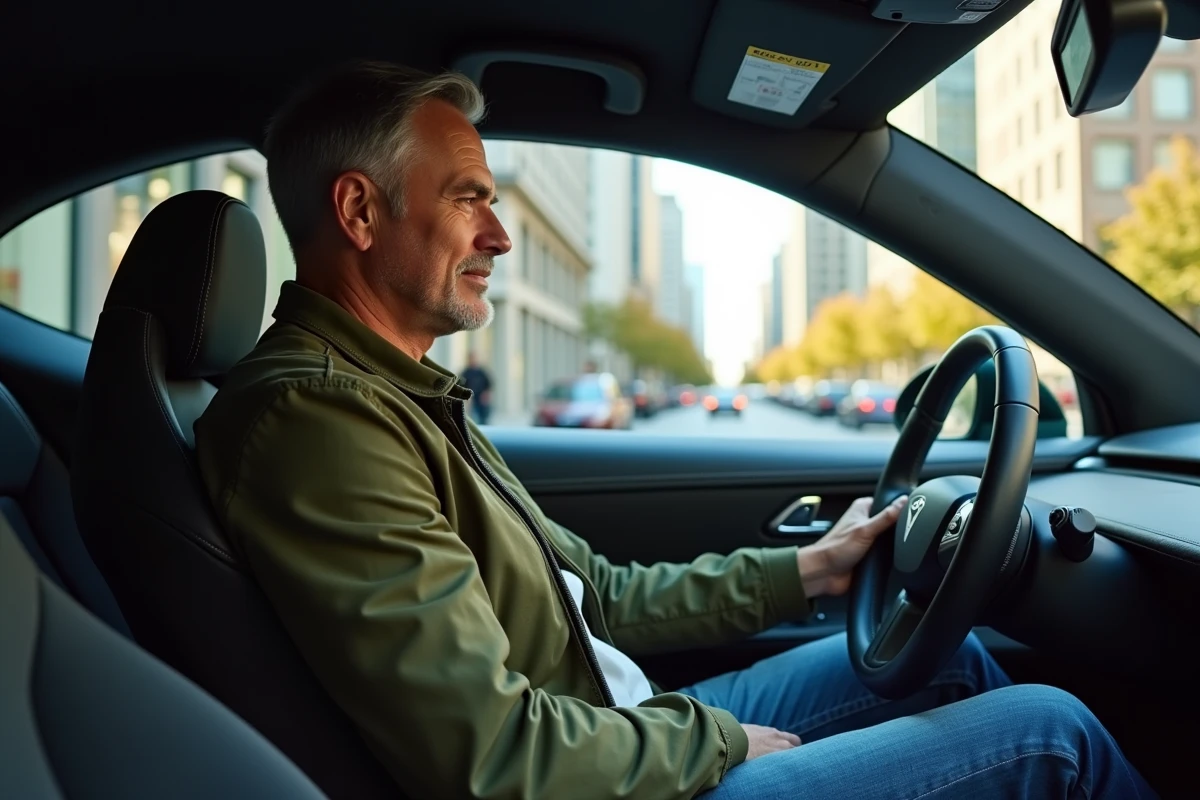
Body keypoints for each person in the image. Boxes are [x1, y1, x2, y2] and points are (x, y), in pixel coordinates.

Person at [194, 61, 1155, 799]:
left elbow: (594, 601)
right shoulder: (318, 418)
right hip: (592, 766)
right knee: (1049, 735)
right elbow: (489, 758)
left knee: (958, 658)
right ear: (360, 211)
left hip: (613, 722)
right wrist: (717, 741)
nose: (500, 235)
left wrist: (813, 569)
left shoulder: (397, 393)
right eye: (468, 197)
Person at [460, 351, 493, 424]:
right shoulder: (465, 373)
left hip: (481, 398)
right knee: (472, 418)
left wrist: (486, 395)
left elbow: (488, 385)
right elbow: (461, 386)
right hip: (471, 398)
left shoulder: (482, 372)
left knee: (483, 418)